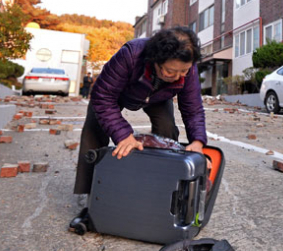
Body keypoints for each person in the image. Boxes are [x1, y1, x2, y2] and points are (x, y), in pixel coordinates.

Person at [73, 27, 209, 195]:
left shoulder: (188, 68)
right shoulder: (130, 55)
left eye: (184, 71)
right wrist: (123, 135)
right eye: (170, 71)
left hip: (159, 96)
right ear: (156, 60)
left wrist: (197, 141)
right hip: (118, 93)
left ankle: (162, 184)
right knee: (94, 130)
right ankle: (88, 193)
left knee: (167, 129)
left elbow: (193, 109)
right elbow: (103, 96)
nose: (177, 76)